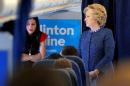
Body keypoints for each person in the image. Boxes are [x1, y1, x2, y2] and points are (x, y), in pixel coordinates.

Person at [79, 3, 115, 86]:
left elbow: (109, 55)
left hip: (103, 76)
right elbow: (79, 54)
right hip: (87, 76)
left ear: (97, 17)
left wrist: (96, 71)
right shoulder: (83, 35)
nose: (85, 19)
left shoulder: (107, 33)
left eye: (88, 16)